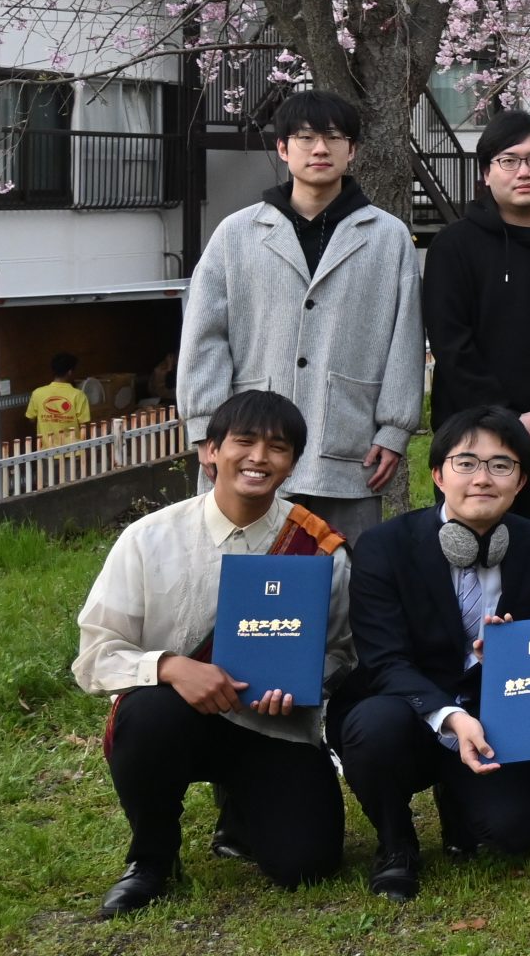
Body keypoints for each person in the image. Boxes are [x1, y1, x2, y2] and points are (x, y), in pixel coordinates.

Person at [71, 390, 351, 917]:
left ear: (293, 463)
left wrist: (304, 685)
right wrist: (172, 667)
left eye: (278, 447)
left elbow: (341, 649)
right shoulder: (148, 538)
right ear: (211, 451)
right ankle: (152, 858)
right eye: (243, 442)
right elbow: (96, 652)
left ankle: (243, 809)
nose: (258, 458)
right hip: (179, 717)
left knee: (307, 866)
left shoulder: (319, 548)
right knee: (146, 715)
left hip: (274, 725)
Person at [336, 407, 530, 901]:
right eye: (466, 463)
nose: (482, 478)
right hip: (405, 710)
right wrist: (449, 716)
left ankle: (458, 800)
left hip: (490, 717)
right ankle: (396, 843)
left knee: (516, 831)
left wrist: (513, 659)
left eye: (500, 465)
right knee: (373, 728)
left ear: (521, 481)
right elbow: (383, 661)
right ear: (438, 474)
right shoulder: (384, 547)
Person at [180, 90, 425, 543]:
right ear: (282, 148)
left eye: (333, 137)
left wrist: (394, 428)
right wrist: (204, 425)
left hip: (350, 439)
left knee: (344, 574)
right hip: (249, 440)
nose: (319, 149)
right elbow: (204, 335)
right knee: (241, 571)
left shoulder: (387, 237)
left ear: (351, 150)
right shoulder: (237, 233)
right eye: (305, 137)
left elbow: (404, 337)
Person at [423, 110, 530, 540]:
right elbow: (451, 342)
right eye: (509, 160)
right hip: (469, 438)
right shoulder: (454, 246)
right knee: (462, 553)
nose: (524, 171)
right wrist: (508, 420)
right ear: (486, 173)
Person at [26, 352, 90, 446]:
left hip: (47, 451)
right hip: (72, 449)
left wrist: (48, 420)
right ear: (70, 372)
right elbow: (84, 424)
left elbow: (30, 419)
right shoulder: (78, 395)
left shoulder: (37, 393)